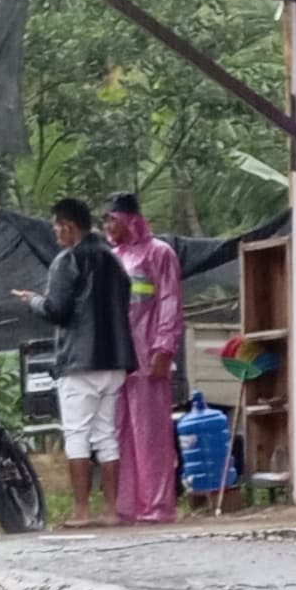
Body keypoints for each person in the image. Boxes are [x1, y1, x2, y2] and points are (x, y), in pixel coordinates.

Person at [17, 198, 131, 529]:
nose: (55, 235)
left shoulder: (67, 260)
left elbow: (57, 309)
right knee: (106, 436)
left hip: (80, 362)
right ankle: (110, 510)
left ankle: (82, 511)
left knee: (77, 435)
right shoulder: (114, 259)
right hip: (114, 361)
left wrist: (32, 301)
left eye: (56, 228)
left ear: (69, 226)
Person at [103, 194, 184, 526]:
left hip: (147, 353)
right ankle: (126, 506)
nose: (108, 227)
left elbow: (169, 300)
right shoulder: (111, 258)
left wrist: (164, 346)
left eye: (112, 219)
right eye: (105, 220)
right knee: (118, 431)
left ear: (129, 220)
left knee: (150, 434)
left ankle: (157, 505)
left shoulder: (159, 253)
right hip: (117, 357)